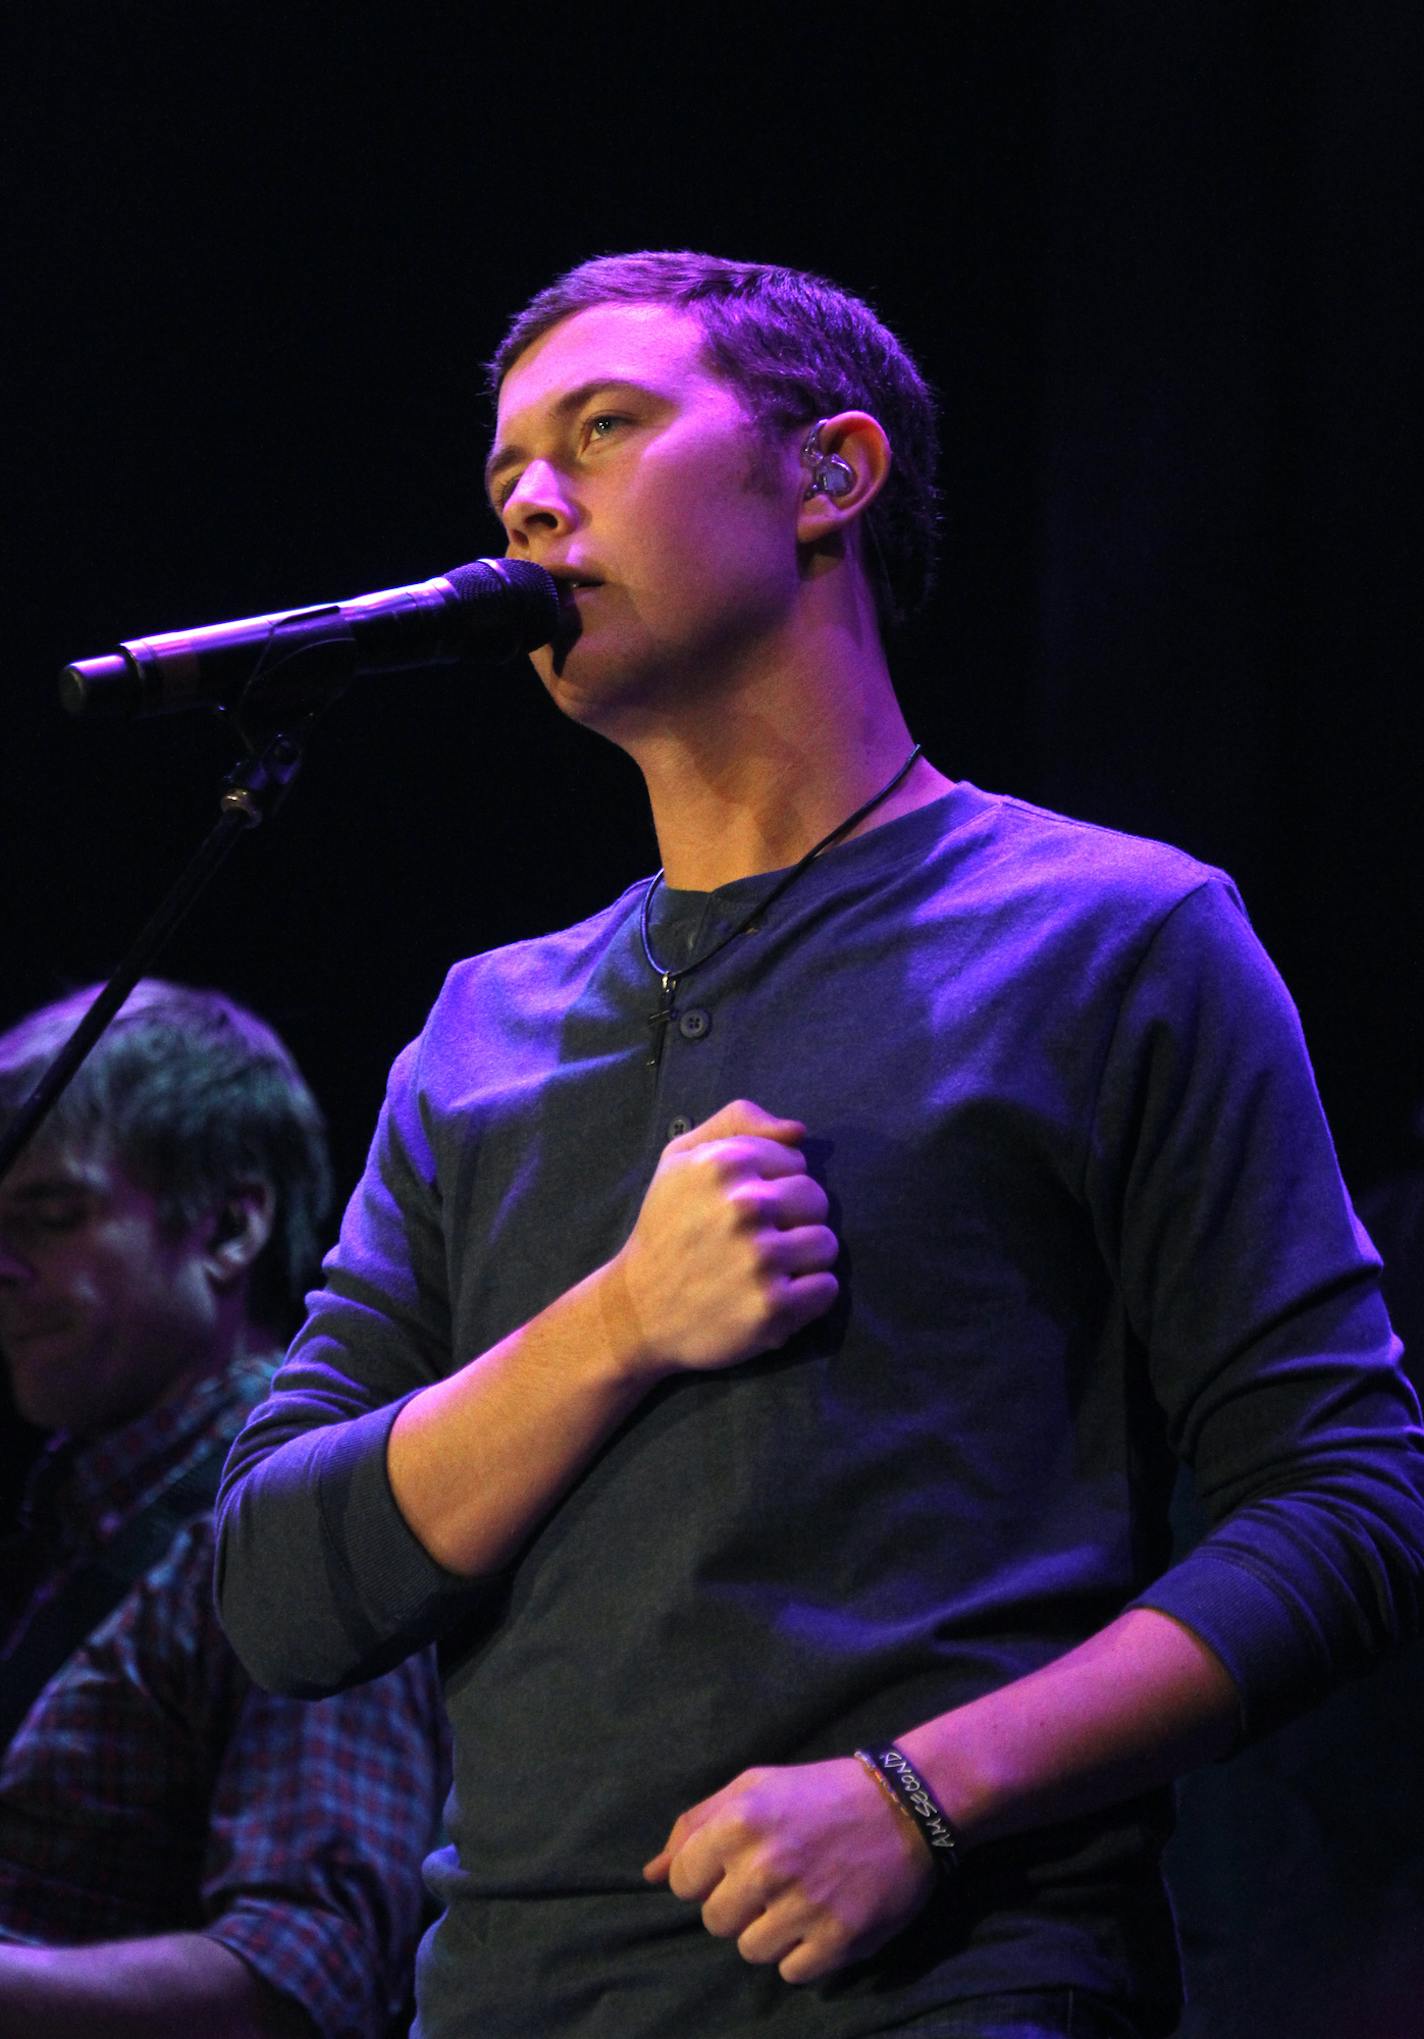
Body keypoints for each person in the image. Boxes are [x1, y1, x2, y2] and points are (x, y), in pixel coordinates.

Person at [213, 253, 1424, 2039]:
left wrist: (925, 1791)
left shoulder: (1110, 935)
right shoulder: (479, 1027)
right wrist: (622, 1316)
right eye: (504, 473)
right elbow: (280, 1585)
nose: (533, 496)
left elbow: (1345, 1498)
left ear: (825, 476)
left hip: (944, 1983)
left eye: (603, 429)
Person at [0, 981, 447, 2039]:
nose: (3, 1265)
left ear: (230, 1224)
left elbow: (312, 1969)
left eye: (52, 1216)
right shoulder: (76, 1516)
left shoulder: (292, 1523)